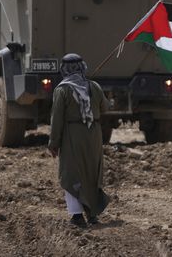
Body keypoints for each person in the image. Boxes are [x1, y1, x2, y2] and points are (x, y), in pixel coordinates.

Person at [48, 53, 109, 228]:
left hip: (72, 135)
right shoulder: (94, 86)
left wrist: (53, 144)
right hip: (94, 134)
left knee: (71, 173)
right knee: (91, 172)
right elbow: (105, 108)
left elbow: (57, 119)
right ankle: (92, 214)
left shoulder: (62, 90)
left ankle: (77, 216)